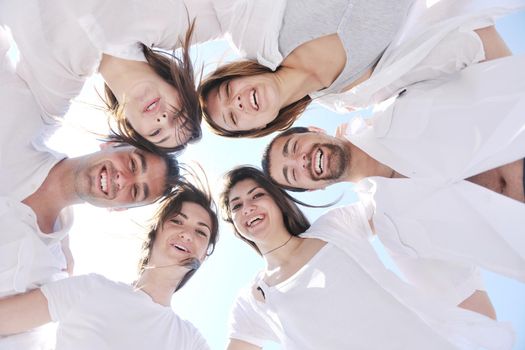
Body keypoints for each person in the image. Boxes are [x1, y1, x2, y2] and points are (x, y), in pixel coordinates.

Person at [261, 54, 525, 297]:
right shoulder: (395, 234)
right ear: (313, 189)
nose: (301, 161)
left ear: (316, 129)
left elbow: (467, 38)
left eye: (294, 148)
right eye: (292, 174)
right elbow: (465, 303)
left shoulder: (396, 100)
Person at [0, 45, 180, 347]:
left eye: (136, 191)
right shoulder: (25, 114)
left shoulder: (47, 273)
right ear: (111, 144)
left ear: (120, 209)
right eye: (134, 163)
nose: (124, 179)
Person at [219, 166, 512, 350]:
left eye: (256, 195)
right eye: (236, 205)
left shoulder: (333, 228)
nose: (248, 208)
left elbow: (393, 196)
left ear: (277, 200)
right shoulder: (253, 299)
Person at [198, 1, 522, 138]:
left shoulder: (267, 27)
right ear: (261, 126)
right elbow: (462, 44)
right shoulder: (353, 93)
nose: (236, 103)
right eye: (233, 117)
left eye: (228, 92)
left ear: (242, 74)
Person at [0, 181, 219, 350]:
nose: (187, 234)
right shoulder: (90, 289)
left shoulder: (189, 341)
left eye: (201, 232)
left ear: (204, 255)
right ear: (156, 231)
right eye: (177, 221)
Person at [0, 2, 204, 151]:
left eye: (156, 133)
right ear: (179, 88)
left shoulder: (60, 82)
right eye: (179, 115)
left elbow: (23, 144)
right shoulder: (156, 15)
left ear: (132, 128)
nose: (162, 120)